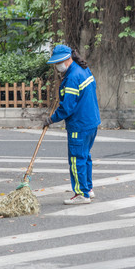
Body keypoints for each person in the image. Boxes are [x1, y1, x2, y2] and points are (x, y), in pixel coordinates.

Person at [43, 44, 101, 205]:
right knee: (85, 156)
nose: (57, 66)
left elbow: (66, 108)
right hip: (91, 121)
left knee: (76, 159)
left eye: (59, 62)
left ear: (68, 59)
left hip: (79, 125)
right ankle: (88, 188)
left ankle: (82, 194)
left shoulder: (72, 78)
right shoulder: (83, 70)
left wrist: (51, 119)